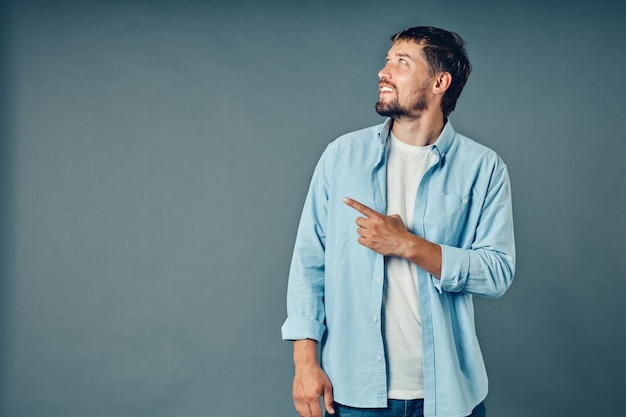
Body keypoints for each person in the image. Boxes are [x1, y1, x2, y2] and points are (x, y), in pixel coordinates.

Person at [281, 26, 515, 417]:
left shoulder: (483, 168)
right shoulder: (341, 156)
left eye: (401, 63)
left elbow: (497, 273)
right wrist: (305, 364)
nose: (383, 71)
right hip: (354, 392)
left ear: (440, 81)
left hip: (448, 396)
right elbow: (309, 264)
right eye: (387, 60)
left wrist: (408, 245)